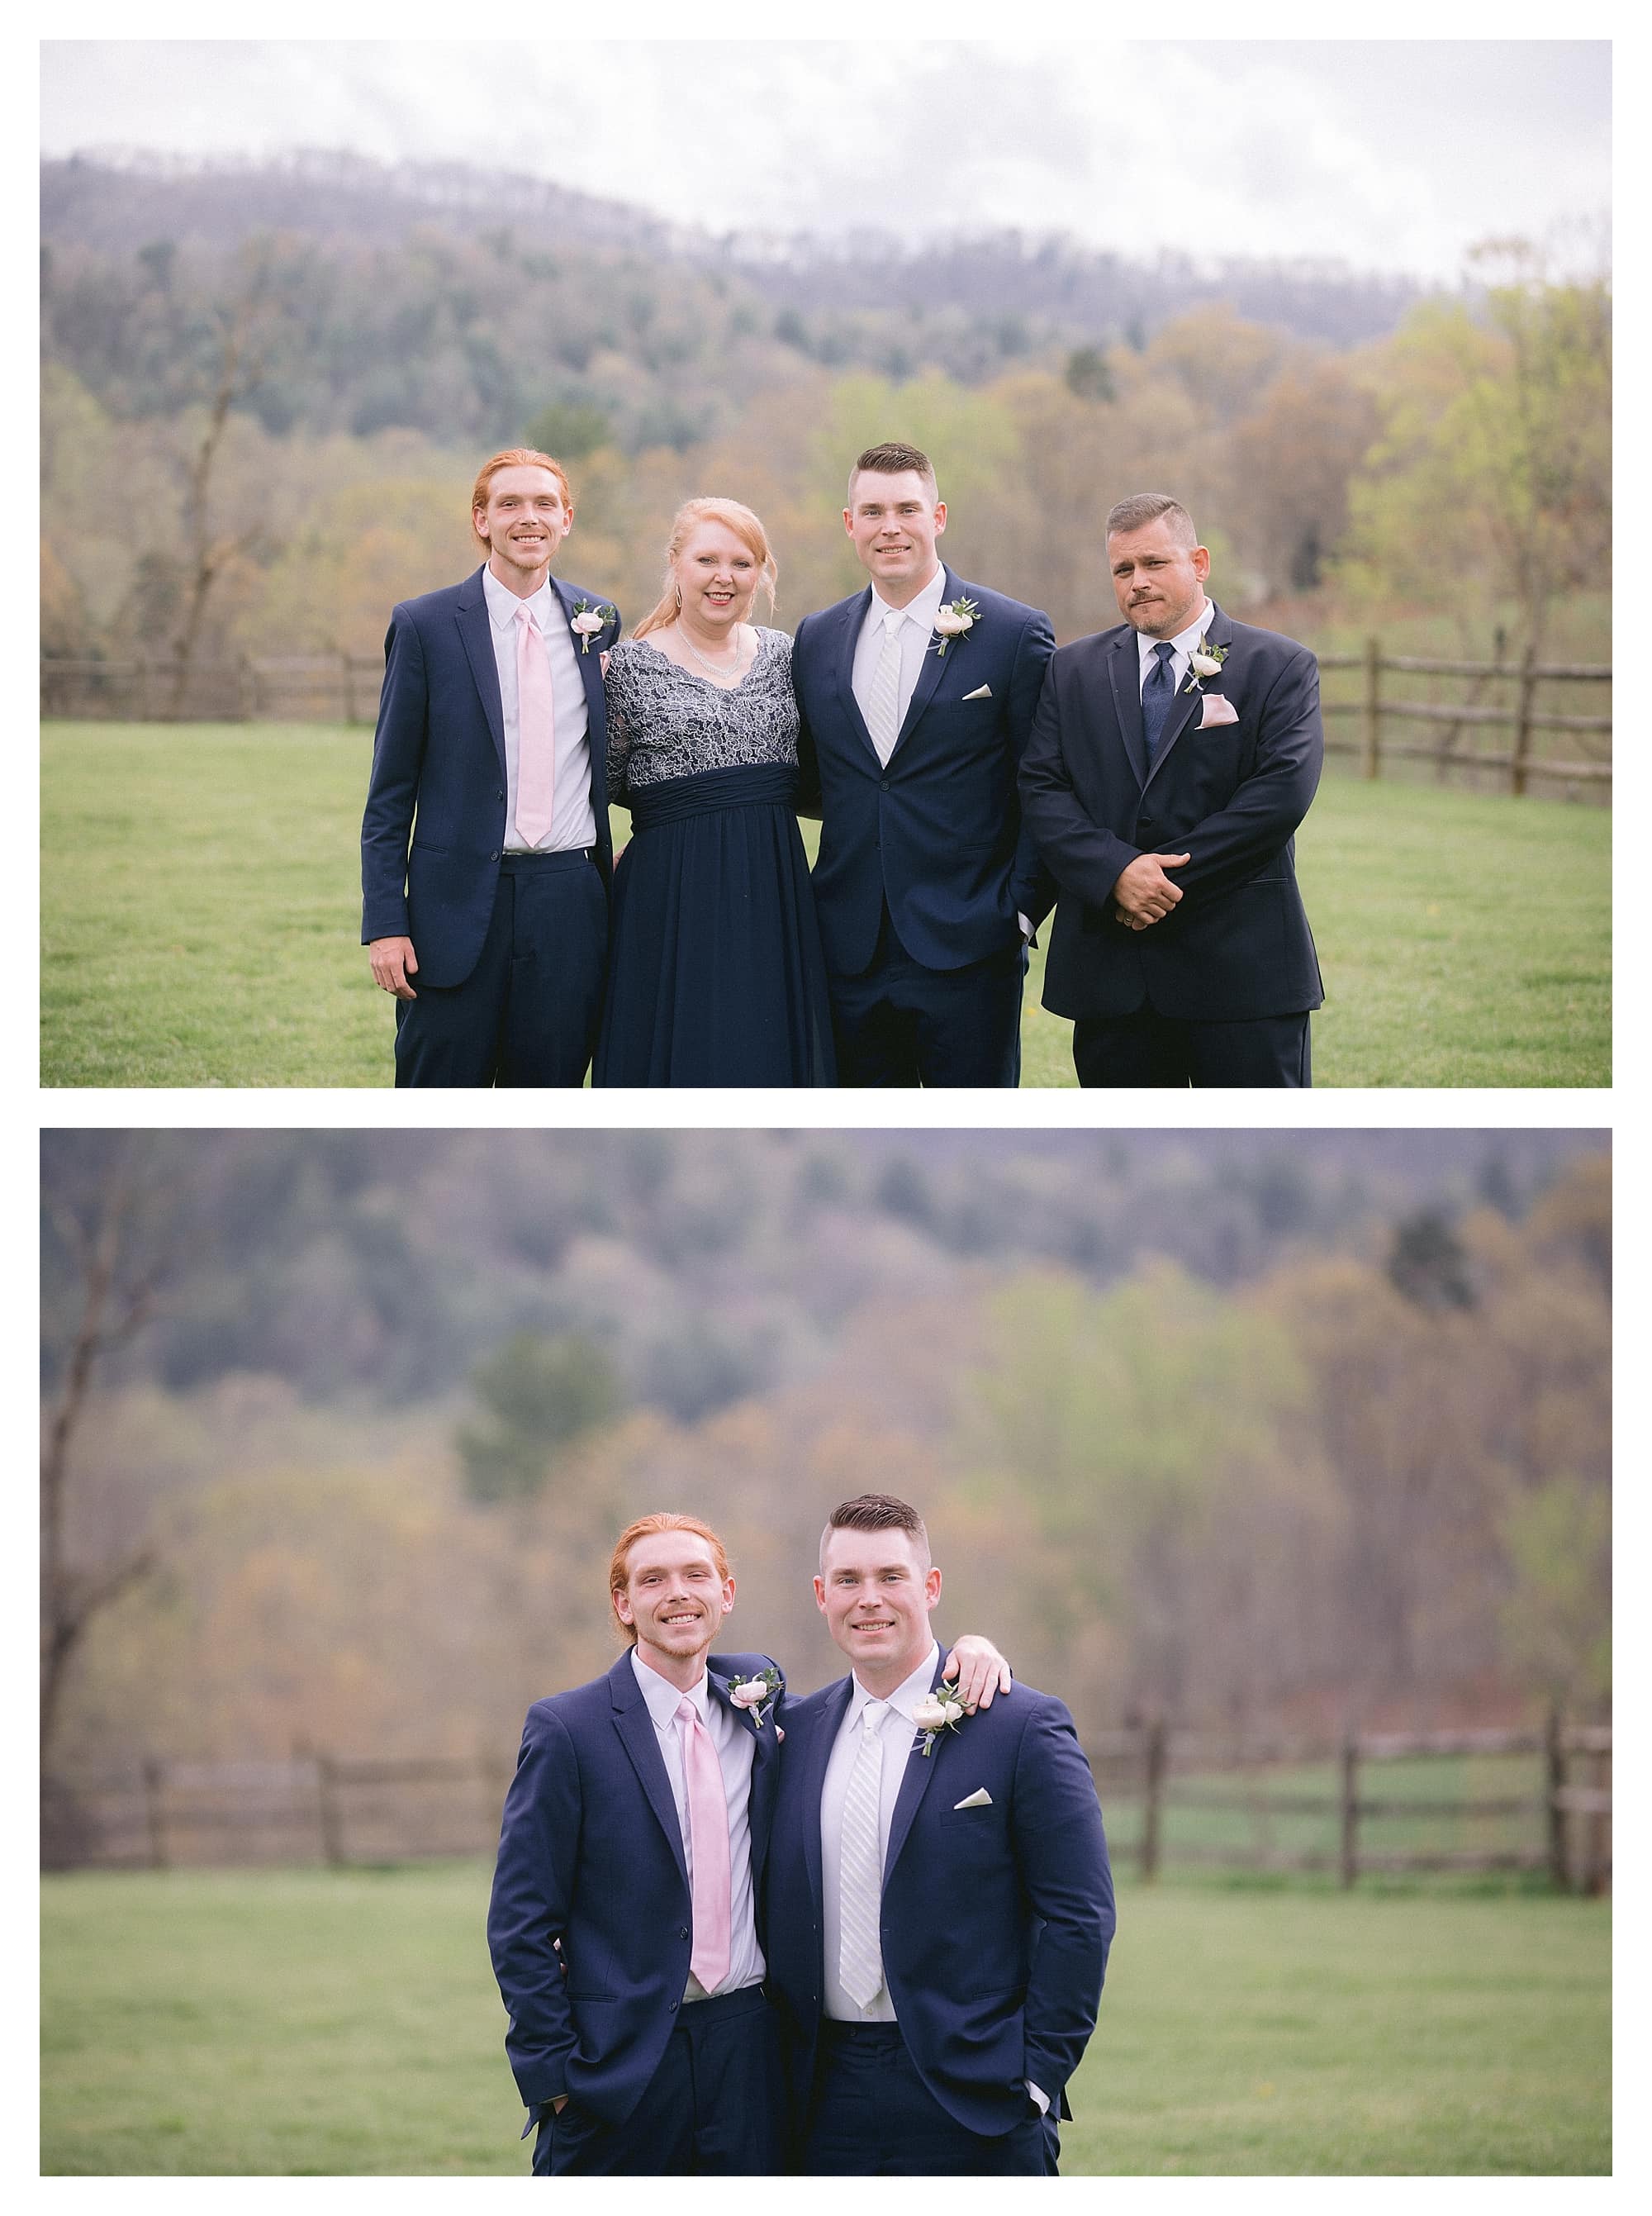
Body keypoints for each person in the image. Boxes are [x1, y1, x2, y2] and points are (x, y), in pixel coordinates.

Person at [487, 1511, 1011, 2175]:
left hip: (751, 2051)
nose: (677, 1593)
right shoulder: (568, 1729)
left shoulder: (759, 1702)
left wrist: (972, 1648)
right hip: (617, 2062)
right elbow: (519, 1923)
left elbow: (885, 1682)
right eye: (653, 1579)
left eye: (695, 1575)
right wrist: (555, 2078)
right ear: (623, 1603)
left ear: (726, 1595)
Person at [765, 1493, 1114, 2176]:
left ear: (930, 1587)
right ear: (820, 1594)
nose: (870, 1600)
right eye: (849, 1581)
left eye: (891, 1577)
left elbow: (1081, 1916)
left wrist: (1036, 2078)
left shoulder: (1019, 1726)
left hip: (977, 2094)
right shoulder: (794, 1733)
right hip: (818, 2096)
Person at [1018, 492, 1324, 1087]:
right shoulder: (1071, 670)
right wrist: (1113, 875)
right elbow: (1042, 788)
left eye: (1154, 563)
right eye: (1123, 570)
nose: (1138, 582)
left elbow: (1280, 795)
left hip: (1243, 973)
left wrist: (1158, 883)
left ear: (1200, 562)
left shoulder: (1280, 666)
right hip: (1113, 980)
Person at [790, 442, 1056, 1087]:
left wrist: (1018, 912)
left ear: (937, 517)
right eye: (873, 511)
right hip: (847, 946)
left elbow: (1046, 785)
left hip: (970, 941)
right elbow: (810, 777)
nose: (891, 527)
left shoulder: (1013, 634)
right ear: (850, 523)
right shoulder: (816, 637)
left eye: (907, 509)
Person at [360, 448, 622, 1086]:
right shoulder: (424, 626)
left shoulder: (601, 624)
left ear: (566, 521)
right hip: (453, 913)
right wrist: (386, 924)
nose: (527, 518)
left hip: (569, 904)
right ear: (482, 520)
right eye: (509, 504)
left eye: (544, 504)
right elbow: (390, 794)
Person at [593, 499, 834, 1086]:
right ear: (677, 565)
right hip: (670, 892)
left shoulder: (788, 657)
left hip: (773, 888)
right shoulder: (625, 669)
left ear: (762, 572)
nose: (724, 577)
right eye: (707, 560)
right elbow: (598, 786)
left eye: (742, 563)